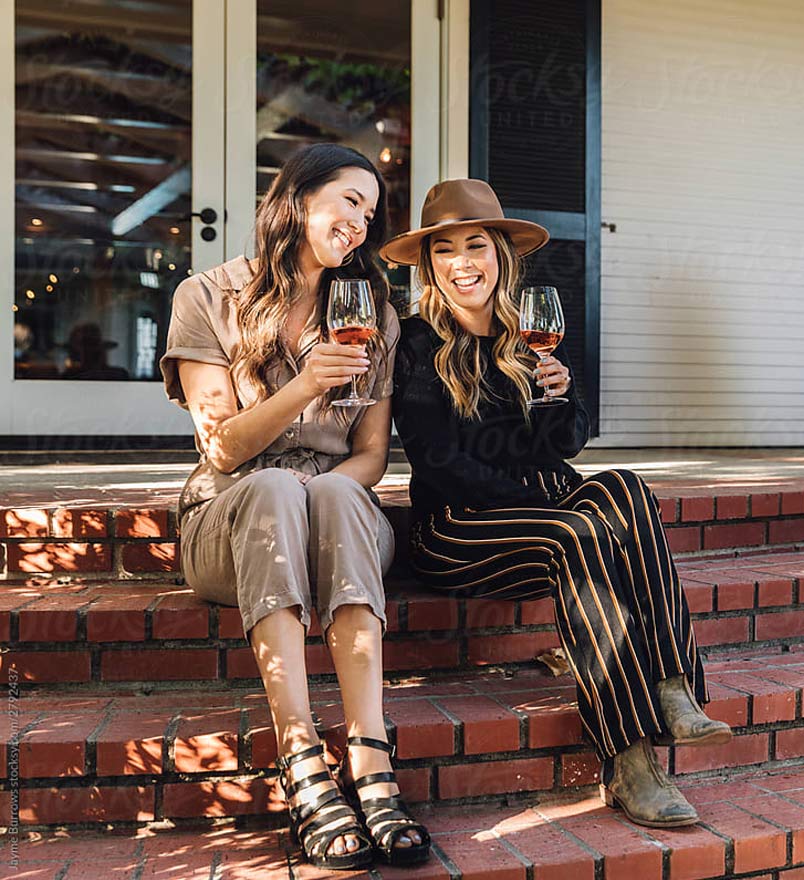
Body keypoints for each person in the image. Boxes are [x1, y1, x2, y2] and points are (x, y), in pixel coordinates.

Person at [385, 179, 730, 829]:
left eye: (475, 245)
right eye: (445, 250)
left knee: (624, 485)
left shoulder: (530, 329)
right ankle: (629, 765)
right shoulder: (415, 343)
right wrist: (544, 504)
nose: (462, 262)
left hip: (539, 506)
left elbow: (565, 444)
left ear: (501, 255)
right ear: (429, 265)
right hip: (457, 528)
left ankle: (674, 687)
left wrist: (560, 395)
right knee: (579, 531)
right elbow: (438, 462)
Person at [160, 143, 429, 870]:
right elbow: (222, 450)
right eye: (350, 201)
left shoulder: (372, 311)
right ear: (297, 198)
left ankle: (370, 755)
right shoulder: (207, 295)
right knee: (277, 486)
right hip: (232, 516)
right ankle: (302, 756)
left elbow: (371, 455)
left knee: (339, 487)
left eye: (370, 213)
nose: (361, 224)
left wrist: (327, 488)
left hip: (332, 517)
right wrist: (306, 385)